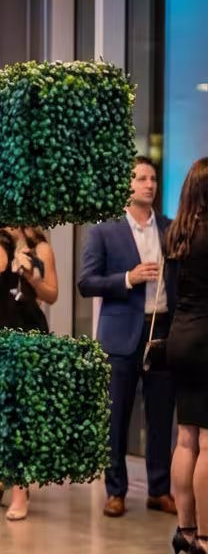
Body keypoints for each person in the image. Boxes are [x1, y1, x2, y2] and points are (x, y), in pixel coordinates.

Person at [78, 156, 177, 518]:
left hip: (163, 331)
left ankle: (159, 490)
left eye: (152, 178)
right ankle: (115, 491)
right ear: (127, 185)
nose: (148, 184)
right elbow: (86, 283)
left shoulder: (169, 228)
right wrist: (127, 278)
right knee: (116, 418)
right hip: (121, 337)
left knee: (161, 416)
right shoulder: (105, 231)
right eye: (140, 178)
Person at [0, 226, 59, 520]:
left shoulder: (40, 246)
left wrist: (31, 275)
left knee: (23, 413)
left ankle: (21, 489)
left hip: (29, 329)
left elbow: (52, 293)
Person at [166, 158, 208, 554]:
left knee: (185, 438)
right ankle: (207, 541)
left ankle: (186, 530)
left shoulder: (176, 233)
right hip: (207, 340)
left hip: (181, 337)